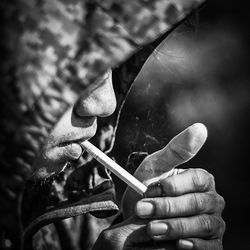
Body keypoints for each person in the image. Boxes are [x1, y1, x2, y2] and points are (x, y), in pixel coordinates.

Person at [0, 1, 225, 249]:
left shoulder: (57, 219)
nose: (106, 103)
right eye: (74, 69)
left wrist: (129, 225)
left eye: (113, 64)